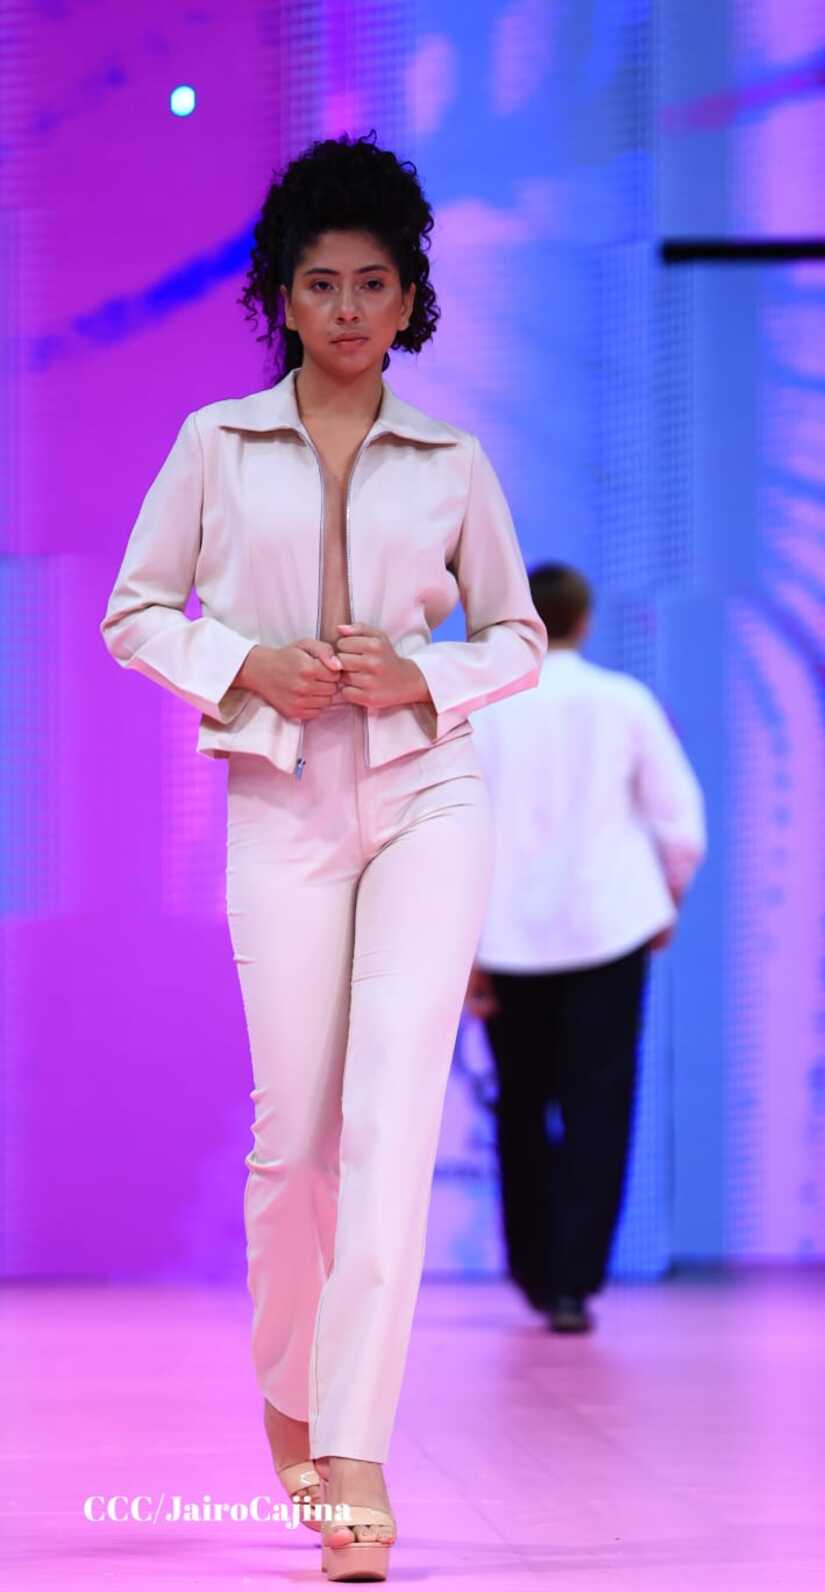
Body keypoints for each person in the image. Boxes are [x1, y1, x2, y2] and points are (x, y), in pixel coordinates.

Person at [99, 131, 547, 1582]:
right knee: (296, 1141)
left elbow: (515, 635)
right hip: (281, 802)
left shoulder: (453, 460)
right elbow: (135, 611)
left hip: (427, 795)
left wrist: (423, 673)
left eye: (373, 283)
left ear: (411, 297)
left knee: (391, 1119)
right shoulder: (214, 445)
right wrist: (249, 664)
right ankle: (289, 1393)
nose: (348, 308)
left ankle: (352, 1450)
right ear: (279, 297)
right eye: (320, 283)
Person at [464, 563, 706, 1336]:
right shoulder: (623, 700)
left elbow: (454, 830)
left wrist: (463, 948)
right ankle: (573, 1281)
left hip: (505, 936)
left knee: (520, 1104)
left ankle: (534, 1272)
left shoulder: (479, 711)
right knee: (599, 1105)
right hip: (608, 929)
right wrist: (666, 901)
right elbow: (679, 820)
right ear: (584, 621)